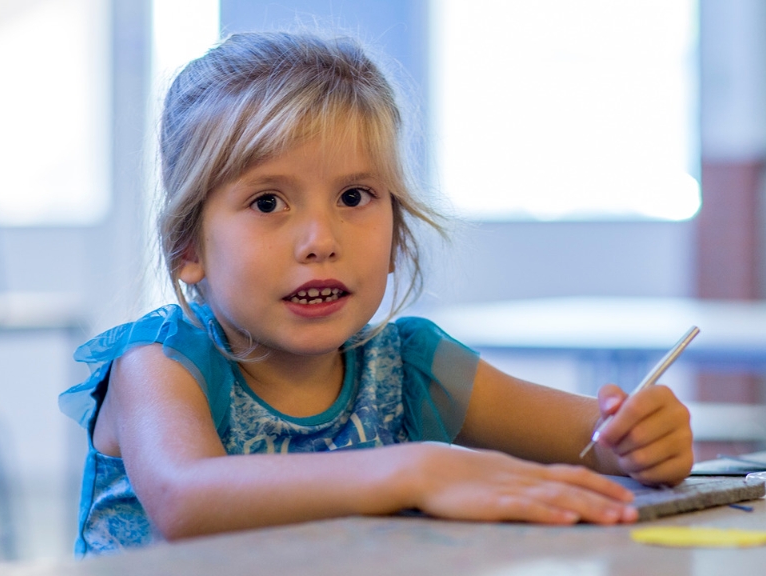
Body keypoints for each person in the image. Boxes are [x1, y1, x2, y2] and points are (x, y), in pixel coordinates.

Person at [59, 30, 693, 557]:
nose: (320, 240)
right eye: (268, 202)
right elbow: (185, 499)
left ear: (395, 232)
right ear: (188, 250)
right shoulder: (161, 363)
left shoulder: (410, 363)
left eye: (355, 197)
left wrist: (641, 441)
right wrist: (417, 469)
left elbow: (599, 443)